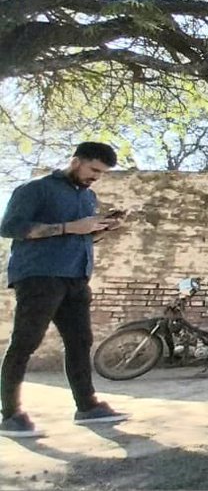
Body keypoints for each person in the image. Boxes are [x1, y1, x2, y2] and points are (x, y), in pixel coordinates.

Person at [0, 142, 130, 439]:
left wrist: (100, 230)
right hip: (39, 276)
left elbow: (82, 237)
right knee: (26, 342)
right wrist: (71, 227)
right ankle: (10, 415)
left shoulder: (88, 197)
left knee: (80, 341)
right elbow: (10, 228)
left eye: (102, 173)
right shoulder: (36, 189)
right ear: (76, 161)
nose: (96, 177)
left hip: (76, 278)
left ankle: (87, 407)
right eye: (93, 169)